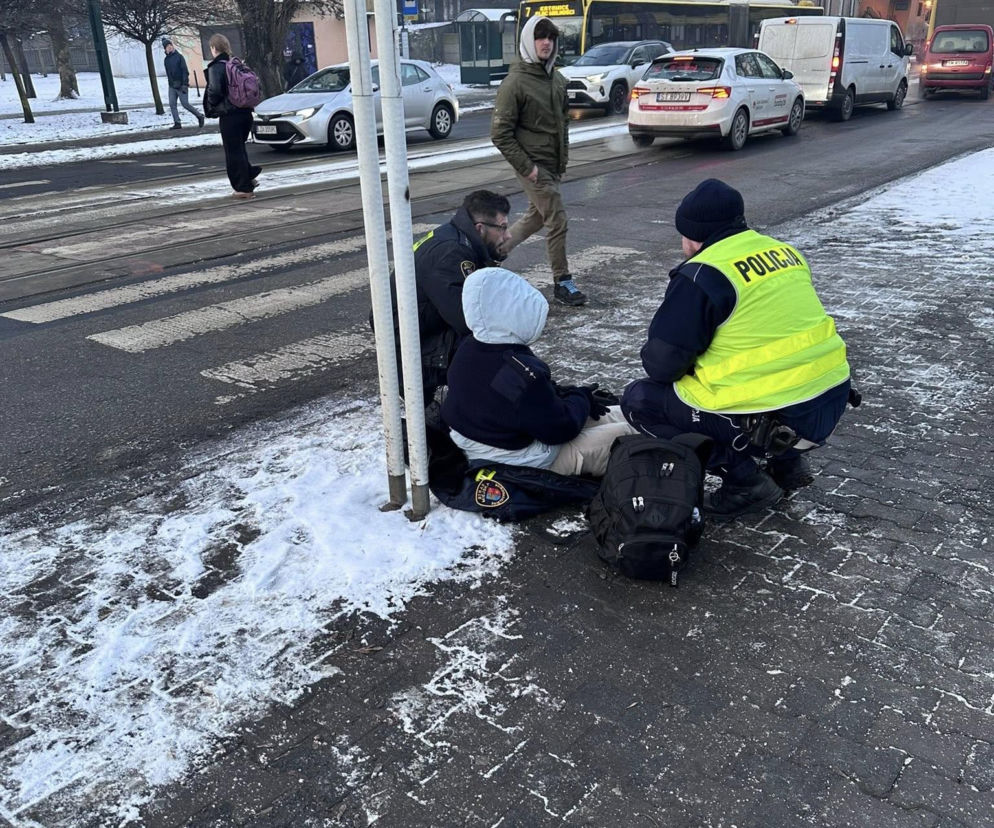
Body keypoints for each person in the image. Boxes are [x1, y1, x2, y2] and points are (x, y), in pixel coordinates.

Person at [621, 179, 852, 521]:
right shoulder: (783, 252)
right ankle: (787, 466)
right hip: (830, 401)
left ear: (693, 236)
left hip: (780, 416)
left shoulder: (703, 274)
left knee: (640, 400)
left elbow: (662, 365)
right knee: (768, 378)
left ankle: (745, 481)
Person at [442, 267, 636, 476]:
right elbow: (560, 428)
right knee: (629, 432)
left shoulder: (470, 346)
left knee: (626, 413)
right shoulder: (519, 374)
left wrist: (577, 399)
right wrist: (581, 398)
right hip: (520, 458)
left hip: (480, 440)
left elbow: (536, 407)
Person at [491, 16, 587, 308]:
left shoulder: (556, 79)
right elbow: (500, 133)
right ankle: (562, 282)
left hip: (552, 165)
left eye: (551, 37)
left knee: (536, 216)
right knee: (557, 220)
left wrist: (561, 161)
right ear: (528, 42)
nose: (546, 43)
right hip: (533, 166)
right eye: (540, 37)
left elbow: (562, 125)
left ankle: (495, 252)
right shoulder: (515, 82)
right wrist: (528, 167)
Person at [391, 190, 512, 407]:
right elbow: (465, 319)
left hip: (420, 321)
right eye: (502, 227)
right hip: (408, 338)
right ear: (480, 228)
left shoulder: (458, 237)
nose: (508, 235)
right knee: (488, 348)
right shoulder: (451, 252)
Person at [204, 34, 261, 200]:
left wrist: (212, 105)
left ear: (214, 48)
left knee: (233, 152)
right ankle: (249, 174)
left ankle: (243, 188)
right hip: (245, 113)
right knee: (239, 149)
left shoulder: (217, 67)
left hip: (230, 115)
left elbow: (215, 91)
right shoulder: (236, 63)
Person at [162, 38, 204, 130]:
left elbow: (185, 71)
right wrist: (170, 83)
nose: (169, 48)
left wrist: (185, 84)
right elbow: (169, 73)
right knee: (172, 104)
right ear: (165, 49)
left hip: (181, 85)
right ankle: (177, 122)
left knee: (185, 104)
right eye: (167, 47)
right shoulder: (166, 60)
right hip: (172, 85)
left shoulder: (179, 57)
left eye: (170, 46)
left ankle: (200, 116)